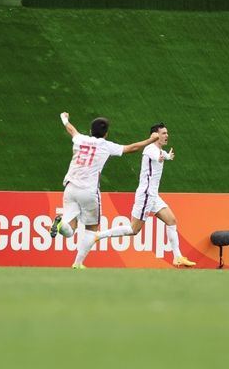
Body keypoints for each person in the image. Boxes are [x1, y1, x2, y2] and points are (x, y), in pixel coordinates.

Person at [50, 112, 159, 269]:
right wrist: (151, 140)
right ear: (106, 133)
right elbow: (132, 148)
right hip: (88, 191)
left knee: (69, 229)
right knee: (91, 230)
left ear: (90, 130)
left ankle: (60, 224)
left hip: (70, 187)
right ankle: (78, 263)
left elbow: (71, 130)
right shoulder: (106, 146)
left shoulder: (81, 139)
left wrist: (64, 118)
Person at [94, 122, 196, 267]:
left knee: (172, 221)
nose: (166, 136)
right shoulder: (150, 149)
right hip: (146, 195)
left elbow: (163, 155)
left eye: (167, 133)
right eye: (163, 133)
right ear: (155, 136)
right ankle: (99, 235)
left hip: (154, 196)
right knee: (133, 230)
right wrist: (164, 157)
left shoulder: (158, 150)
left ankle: (177, 257)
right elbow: (158, 157)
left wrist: (168, 156)